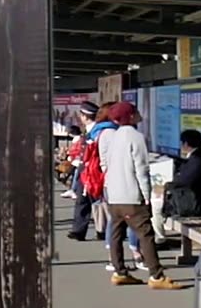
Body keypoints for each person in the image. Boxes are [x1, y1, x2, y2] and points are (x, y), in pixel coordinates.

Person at [97, 101, 175, 288]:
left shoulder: (112, 136)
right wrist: (147, 194)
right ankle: (157, 276)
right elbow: (141, 168)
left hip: (114, 194)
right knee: (145, 234)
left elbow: (106, 163)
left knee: (116, 234)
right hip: (131, 195)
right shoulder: (136, 137)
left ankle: (119, 272)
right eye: (136, 112)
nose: (139, 114)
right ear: (130, 117)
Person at [64, 103, 110, 241]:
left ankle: (102, 228)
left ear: (85, 116)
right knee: (82, 200)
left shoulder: (98, 131)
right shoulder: (90, 130)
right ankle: (79, 230)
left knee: (97, 200)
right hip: (85, 169)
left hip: (94, 170)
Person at [166, 129, 201, 218]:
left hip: (195, 204)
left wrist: (168, 185)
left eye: (182, 143)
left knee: (159, 208)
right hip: (193, 200)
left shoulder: (198, 160)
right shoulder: (197, 157)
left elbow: (185, 180)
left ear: (186, 144)